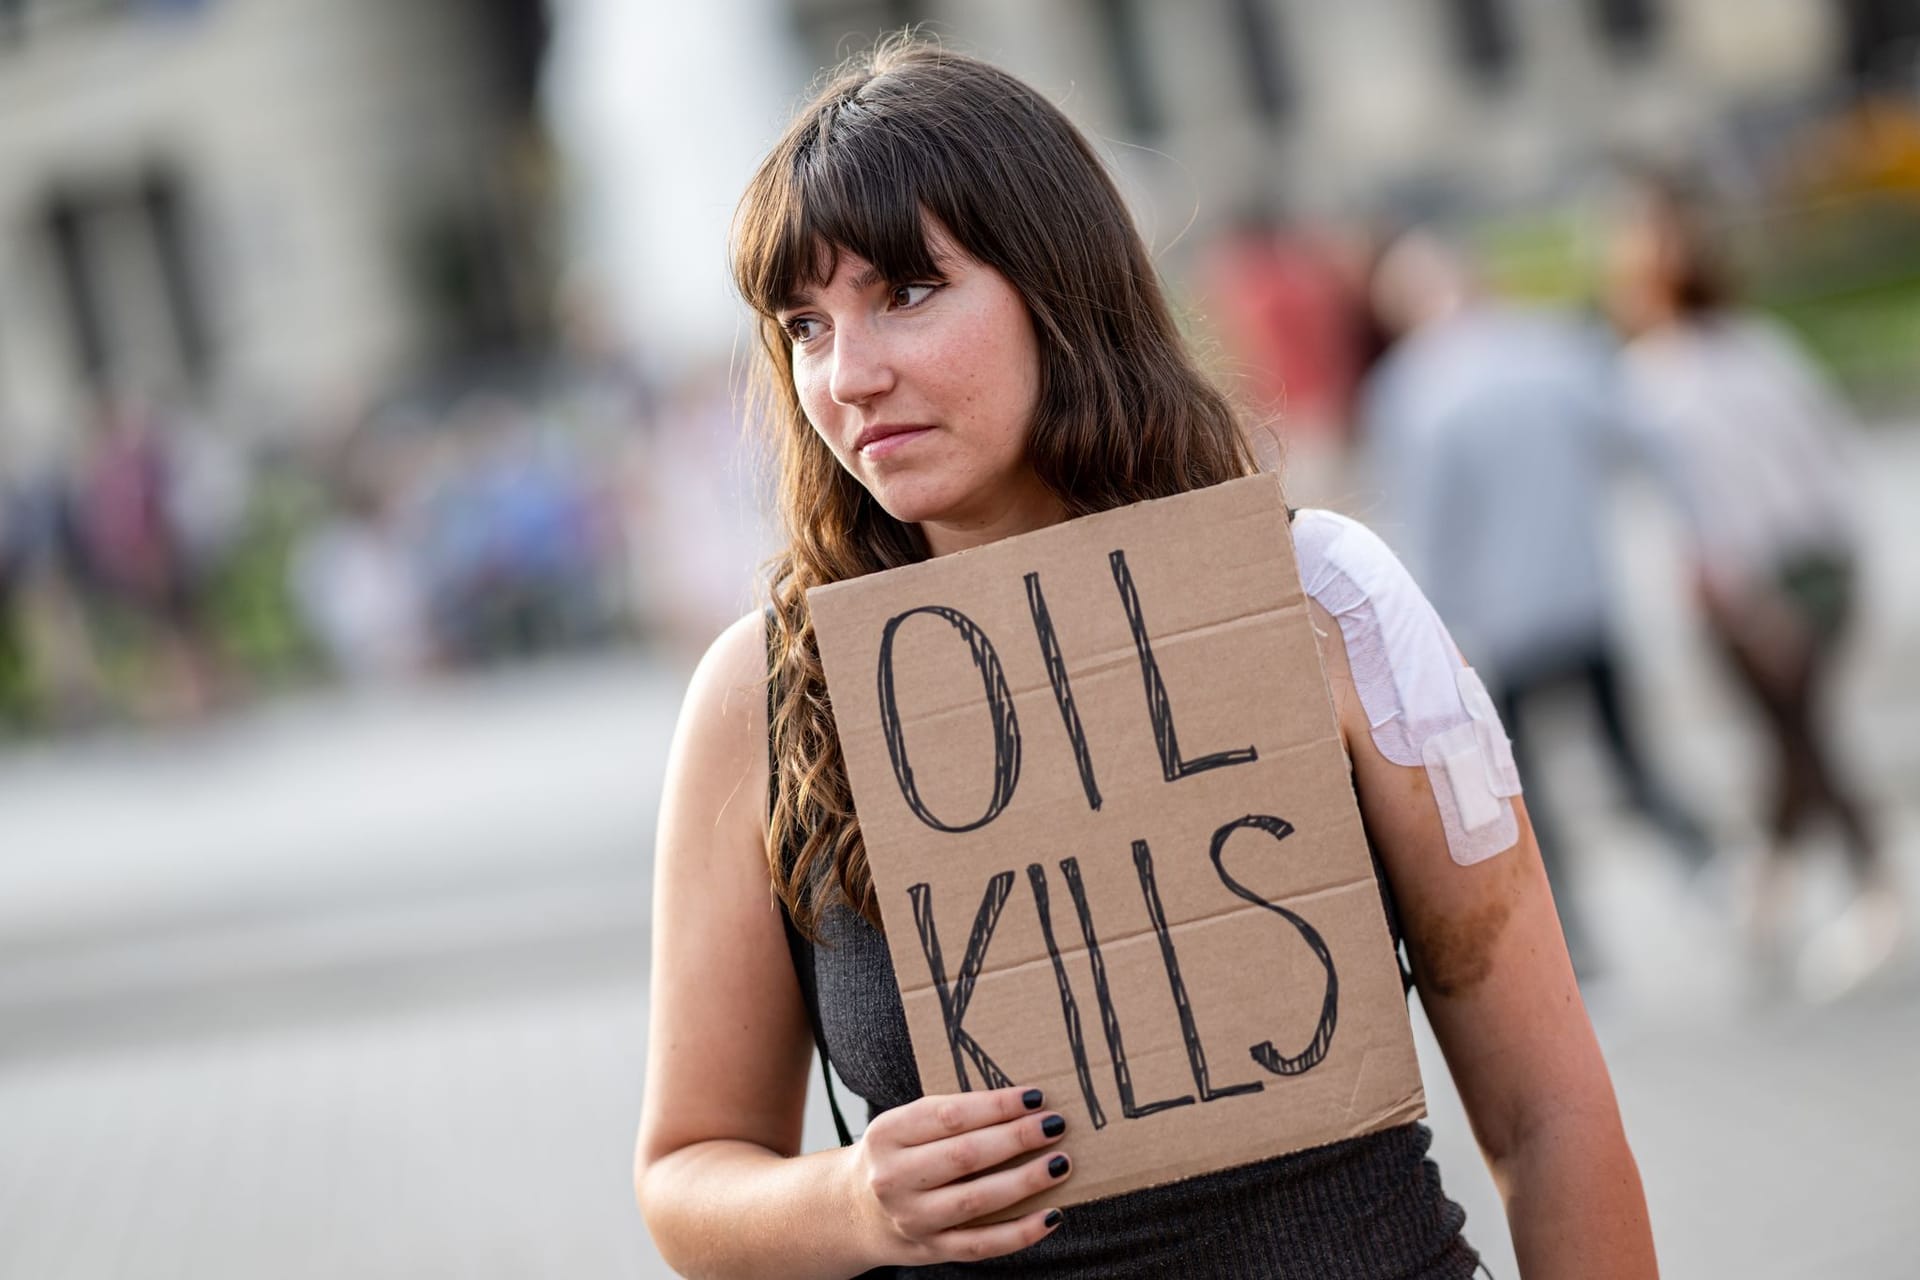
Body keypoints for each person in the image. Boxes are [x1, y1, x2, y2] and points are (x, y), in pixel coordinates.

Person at [636, 39, 1655, 1278]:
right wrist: (855, 1199)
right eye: (805, 323)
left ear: (1055, 284)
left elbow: (1547, 1115)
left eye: (907, 291)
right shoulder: (765, 696)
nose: (849, 375)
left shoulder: (1322, 599)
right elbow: (687, 1174)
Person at [1363, 229, 1715, 975]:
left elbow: (1426, 529)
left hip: (1495, 627)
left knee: (1525, 791)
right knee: (1630, 758)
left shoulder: (1410, 391)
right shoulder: (1551, 348)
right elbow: (1644, 439)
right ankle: (1708, 866)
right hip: (1583, 597)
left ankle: (1570, 942)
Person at [1606, 174, 1903, 998]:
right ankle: (1773, 894)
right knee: (1794, 732)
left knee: (1799, 736)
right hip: (1825, 563)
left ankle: (1861, 891)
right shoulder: (1761, 344)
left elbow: (1712, 507)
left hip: (1752, 587)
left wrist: (1751, 605)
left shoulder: (1656, 379)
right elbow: (1831, 450)